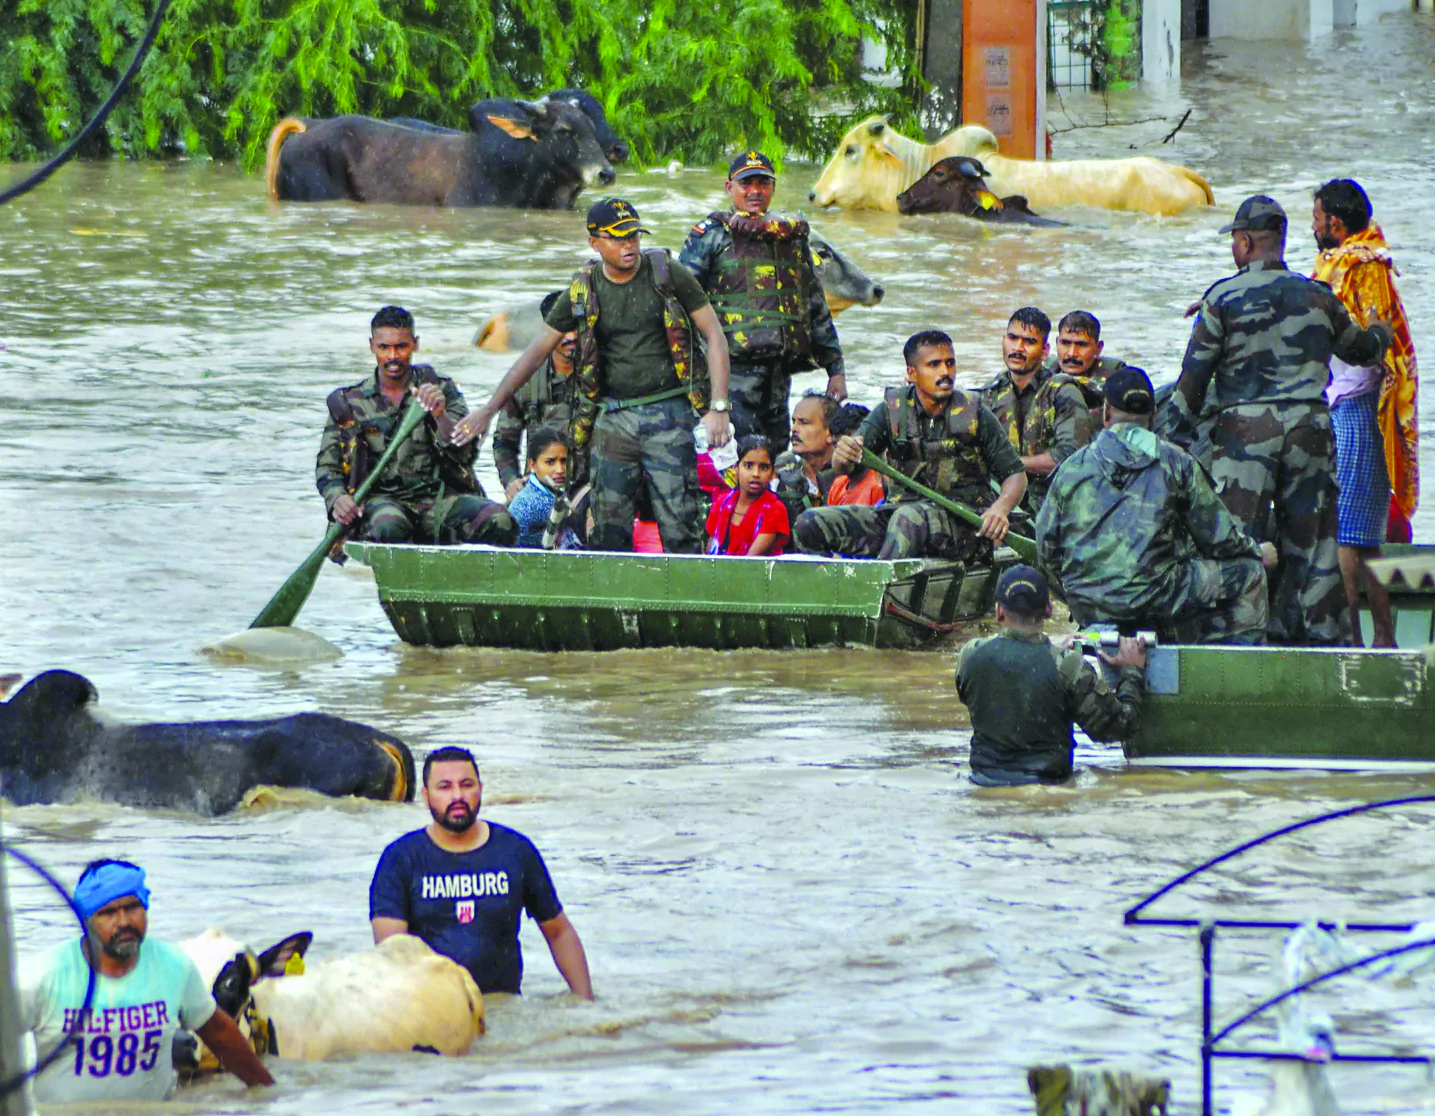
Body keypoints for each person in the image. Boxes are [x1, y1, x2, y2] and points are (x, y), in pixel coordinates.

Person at [1171, 195, 1393, 645]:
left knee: (1237, 542)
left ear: (1245, 242)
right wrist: (1381, 331)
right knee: (1316, 546)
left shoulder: (1222, 298)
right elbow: (1362, 350)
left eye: (1235, 240)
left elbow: (1192, 380)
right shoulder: (1318, 295)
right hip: (1310, 429)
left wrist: (1171, 443)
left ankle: (1235, 641)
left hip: (1245, 435)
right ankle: (1327, 645)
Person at [454, 198, 732, 553]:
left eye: (633, 235)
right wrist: (489, 408)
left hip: (669, 413)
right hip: (613, 420)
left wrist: (718, 407)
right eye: (617, 238)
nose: (629, 245)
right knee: (608, 529)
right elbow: (535, 353)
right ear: (594, 242)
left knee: (680, 523)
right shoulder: (583, 289)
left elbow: (715, 336)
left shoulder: (667, 273)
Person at [1038, 366, 1272, 645]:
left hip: (1087, 603)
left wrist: (1081, 592)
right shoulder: (1177, 462)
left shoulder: (1070, 468)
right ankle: (1231, 662)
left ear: (1106, 412)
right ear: (1153, 415)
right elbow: (1219, 540)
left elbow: (1046, 551)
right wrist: (1257, 551)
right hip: (1156, 598)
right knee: (1251, 573)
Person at [17, 859, 273, 1104]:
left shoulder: (174, 966)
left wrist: (271, 1095)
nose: (124, 922)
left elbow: (218, 1032)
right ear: (86, 921)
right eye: (108, 912)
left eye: (132, 907)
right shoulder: (41, 976)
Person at [370, 746, 593, 999]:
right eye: (444, 787)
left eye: (467, 785)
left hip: (504, 1004)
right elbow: (392, 953)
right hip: (432, 1008)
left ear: (480, 788)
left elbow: (559, 932)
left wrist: (587, 1005)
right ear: (426, 795)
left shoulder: (515, 851)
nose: (457, 796)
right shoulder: (400, 859)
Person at [793, 330, 1026, 560]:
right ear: (912, 373)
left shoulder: (975, 412)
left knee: (907, 519)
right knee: (810, 523)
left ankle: (880, 584)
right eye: (934, 365)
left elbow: (1016, 474)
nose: (945, 372)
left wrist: (1000, 509)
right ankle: (824, 583)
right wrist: (843, 455)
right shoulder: (891, 410)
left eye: (950, 363)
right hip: (898, 515)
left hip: (962, 524)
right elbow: (845, 467)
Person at [1311, 178, 1419, 645]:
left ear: (1335, 223)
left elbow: (1367, 340)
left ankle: (1354, 641)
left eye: (1316, 218)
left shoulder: (1356, 264)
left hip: (1354, 407)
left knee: (1346, 537)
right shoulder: (1365, 260)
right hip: (1365, 408)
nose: (1313, 227)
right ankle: (1384, 639)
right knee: (1365, 536)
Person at [680, 151, 846, 452]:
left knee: (776, 454)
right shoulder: (711, 236)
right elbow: (681, 304)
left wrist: (835, 369)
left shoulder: (789, 238)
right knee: (733, 455)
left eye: (762, 183)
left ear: (773, 188)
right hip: (730, 373)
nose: (755, 191)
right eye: (746, 184)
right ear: (729, 188)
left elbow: (814, 305)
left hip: (778, 374)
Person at [317, 305, 517, 547]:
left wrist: (440, 415)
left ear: (415, 344)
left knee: (499, 519)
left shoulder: (441, 389)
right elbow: (328, 466)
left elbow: (465, 454)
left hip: (438, 498)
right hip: (382, 502)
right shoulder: (349, 403)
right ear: (372, 346)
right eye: (384, 347)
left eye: (401, 346)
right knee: (390, 526)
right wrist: (337, 498)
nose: (392, 356)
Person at [956, 566, 1147, 786]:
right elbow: (1119, 727)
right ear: (1048, 610)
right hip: (1048, 787)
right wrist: (1131, 671)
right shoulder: (1069, 667)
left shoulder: (970, 655)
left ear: (999, 611)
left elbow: (984, 692)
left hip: (982, 784)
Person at [977, 307, 1090, 513]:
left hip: (1053, 502)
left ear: (1045, 351)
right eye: (1013, 338)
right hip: (1003, 499)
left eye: (1029, 342)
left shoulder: (1063, 393)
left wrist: (1011, 464)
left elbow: (1071, 456)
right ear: (1004, 340)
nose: (1018, 348)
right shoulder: (990, 394)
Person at [492, 291, 578, 498]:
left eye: (576, 327)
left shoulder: (602, 374)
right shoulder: (526, 378)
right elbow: (504, 441)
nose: (572, 337)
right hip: (541, 486)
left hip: (591, 484)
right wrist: (510, 481)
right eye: (563, 330)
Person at [705, 435, 790, 556]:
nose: (756, 474)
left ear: (772, 474)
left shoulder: (775, 509)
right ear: (736, 469)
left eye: (764, 467)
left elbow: (750, 561)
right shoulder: (722, 503)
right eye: (749, 466)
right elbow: (710, 555)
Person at [1049, 310, 1129, 430]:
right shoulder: (1045, 371)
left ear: (1098, 348)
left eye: (1081, 345)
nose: (1071, 353)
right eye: (1065, 343)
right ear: (1057, 343)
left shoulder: (1117, 375)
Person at [773, 390, 840, 524]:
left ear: (830, 432)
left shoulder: (847, 479)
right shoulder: (779, 475)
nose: (794, 428)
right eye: (794, 421)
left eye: (804, 422)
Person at [506, 427, 569, 548]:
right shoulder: (536, 502)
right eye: (550, 462)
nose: (560, 470)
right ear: (532, 465)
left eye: (564, 461)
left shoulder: (535, 488)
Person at [825, 403, 883, 506]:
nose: (844, 452)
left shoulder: (877, 485)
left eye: (851, 445)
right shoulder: (838, 485)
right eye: (836, 445)